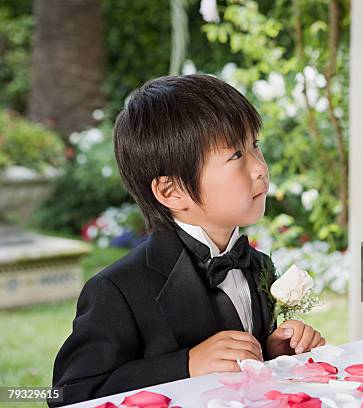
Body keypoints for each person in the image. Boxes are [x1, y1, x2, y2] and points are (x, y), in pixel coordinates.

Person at [49, 74, 325, 407]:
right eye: (236, 155)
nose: (260, 168)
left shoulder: (259, 265)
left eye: (255, 145)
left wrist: (273, 351)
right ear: (171, 191)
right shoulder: (118, 290)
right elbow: (67, 394)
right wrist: (184, 365)